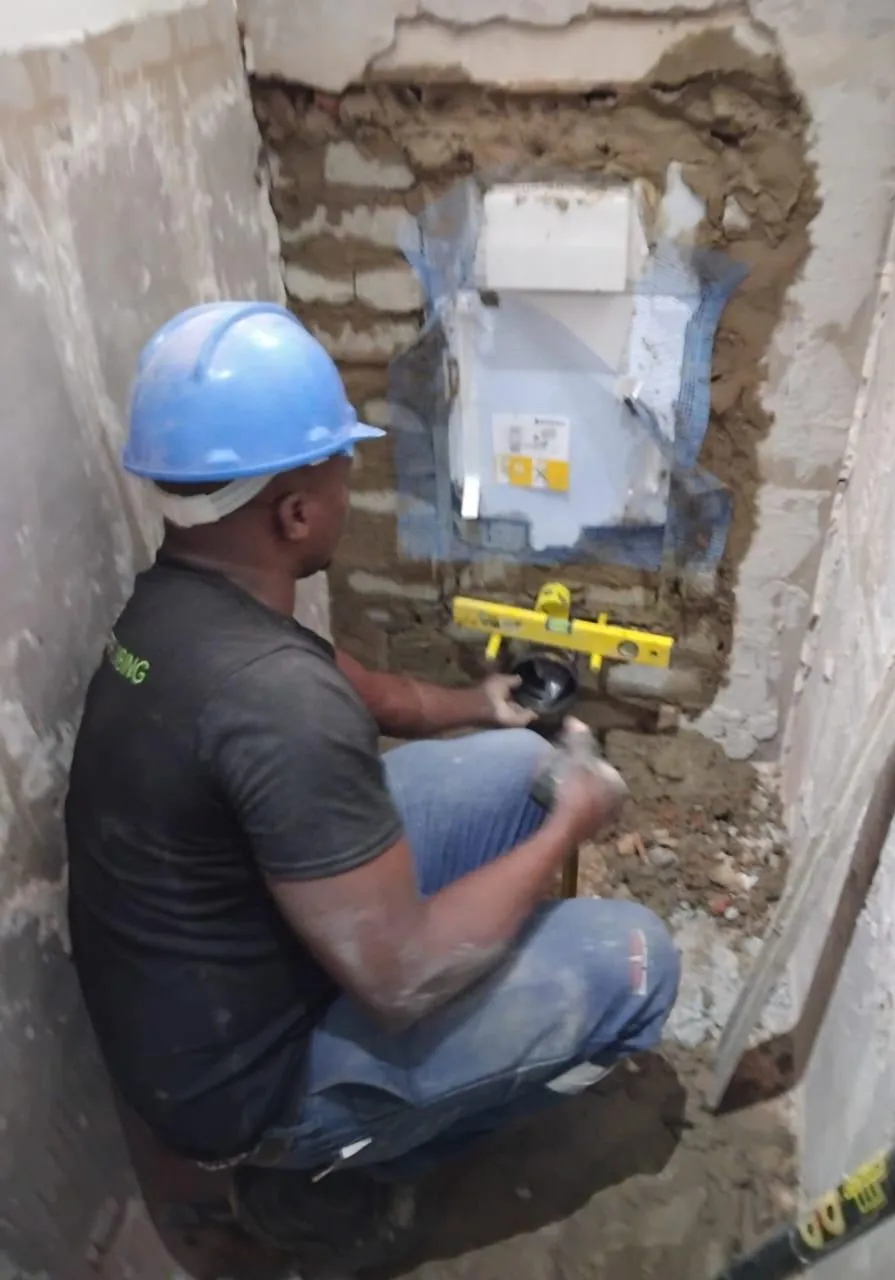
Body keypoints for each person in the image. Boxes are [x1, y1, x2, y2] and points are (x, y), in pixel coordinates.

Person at [65, 301, 680, 1267]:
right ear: (296, 512)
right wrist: (572, 822)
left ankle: (382, 1111)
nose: (352, 484)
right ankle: (340, 1180)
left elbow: (372, 693)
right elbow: (402, 978)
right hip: (250, 1083)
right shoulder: (277, 703)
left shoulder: (180, 609)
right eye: (341, 466)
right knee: (638, 960)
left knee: (519, 765)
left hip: (212, 978)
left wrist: (485, 704)